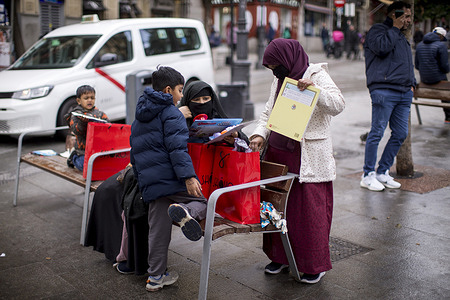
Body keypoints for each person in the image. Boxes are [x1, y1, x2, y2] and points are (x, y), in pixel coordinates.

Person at [249, 39, 345, 284]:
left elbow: (338, 104)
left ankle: (314, 265)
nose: (274, 72)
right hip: (279, 155)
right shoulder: (278, 80)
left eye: (276, 66)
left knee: (308, 213)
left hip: (307, 158)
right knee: (278, 209)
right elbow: (268, 112)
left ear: (288, 59)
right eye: (270, 68)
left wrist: (315, 91)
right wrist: (260, 134)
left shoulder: (316, 73)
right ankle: (279, 257)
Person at [130, 66, 207, 292]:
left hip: (151, 183)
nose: (182, 96)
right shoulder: (171, 113)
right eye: (180, 90)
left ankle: (155, 278)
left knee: (158, 229)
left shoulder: (141, 113)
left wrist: (142, 179)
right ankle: (186, 212)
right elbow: (177, 150)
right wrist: (189, 177)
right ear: (167, 90)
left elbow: (135, 151)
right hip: (170, 180)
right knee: (204, 201)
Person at [360, 1, 416, 192]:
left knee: (400, 133)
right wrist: (394, 27)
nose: (408, 20)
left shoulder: (401, 36)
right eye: (406, 16)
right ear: (394, 14)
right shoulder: (378, 31)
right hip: (384, 90)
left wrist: (412, 85)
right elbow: (382, 48)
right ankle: (367, 175)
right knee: (377, 132)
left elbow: (406, 62)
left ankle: (382, 171)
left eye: (409, 16)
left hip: (403, 92)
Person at [66, 85, 109, 171]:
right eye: (86, 98)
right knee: (87, 168)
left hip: (97, 150)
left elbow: (108, 126)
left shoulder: (100, 114)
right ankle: (73, 158)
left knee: (104, 167)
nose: (90, 100)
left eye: (92, 98)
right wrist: (83, 122)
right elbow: (76, 130)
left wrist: (105, 125)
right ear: (79, 101)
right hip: (82, 152)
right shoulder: (75, 114)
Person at [415, 27, 450, 123]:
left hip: (424, 79)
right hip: (437, 80)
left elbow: (417, 65)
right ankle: (448, 117)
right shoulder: (441, 46)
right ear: (441, 36)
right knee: (446, 88)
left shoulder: (419, 45)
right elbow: (445, 67)